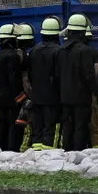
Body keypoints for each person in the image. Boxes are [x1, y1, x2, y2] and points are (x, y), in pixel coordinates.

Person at [57, 13, 98, 151]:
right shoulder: (85, 51)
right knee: (80, 127)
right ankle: (78, 152)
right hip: (81, 97)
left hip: (64, 97)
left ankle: (67, 152)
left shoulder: (60, 51)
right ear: (82, 32)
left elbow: (57, 74)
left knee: (67, 127)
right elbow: (89, 75)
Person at [29, 17, 62, 150]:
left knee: (38, 127)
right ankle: (48, 153)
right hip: (52, 97)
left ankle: (37, 151)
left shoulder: (34, 50)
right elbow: (59, 75)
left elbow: (30, 74)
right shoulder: (58, 51)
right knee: (51, 126)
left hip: (36, 96)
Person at [0, 23, 26, 151]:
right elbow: (14, 80)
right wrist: (21, 98)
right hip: (12, 99)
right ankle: (12, 150)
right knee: (13, 125)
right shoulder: (12, 56)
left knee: (1, 124)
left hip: (0, 98)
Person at [13, 23, 35, 151]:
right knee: (25, 120)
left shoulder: (18, 53)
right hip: (24, 91)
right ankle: (23, 147)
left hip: (20, 92)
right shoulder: (21, 55)